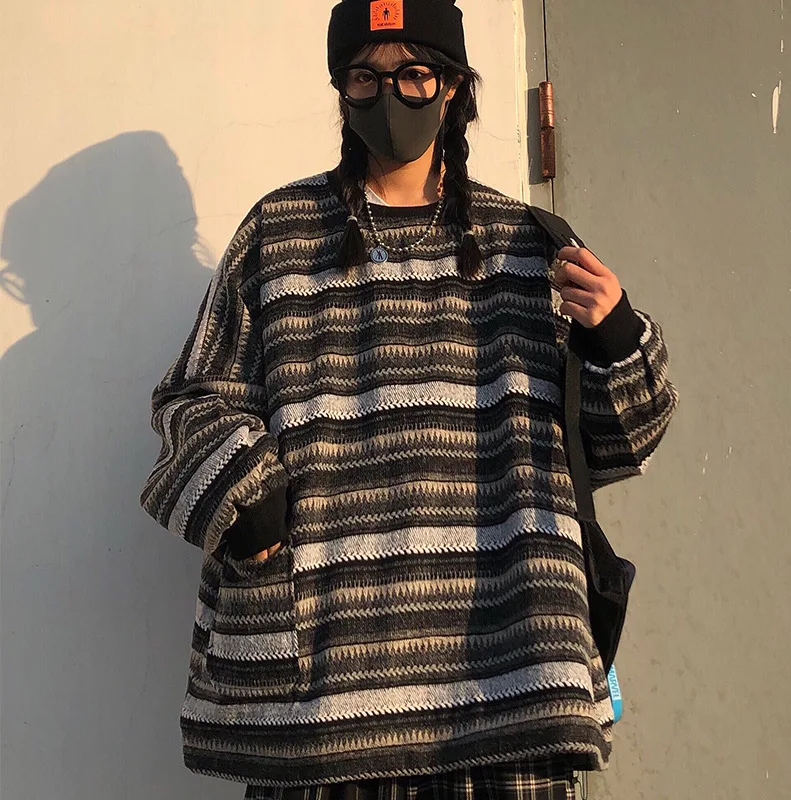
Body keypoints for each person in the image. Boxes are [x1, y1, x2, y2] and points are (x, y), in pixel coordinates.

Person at [138, 1, 680, 798]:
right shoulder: (278, 233)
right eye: (365, 76)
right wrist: (248, 507)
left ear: (453, 86)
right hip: (325, 694)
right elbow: (192, 396)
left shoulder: (528, 243)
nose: (389, 95)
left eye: (414, 73)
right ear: (341, 89)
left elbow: (619, 443)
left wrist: (615, 335)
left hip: (508, 675)